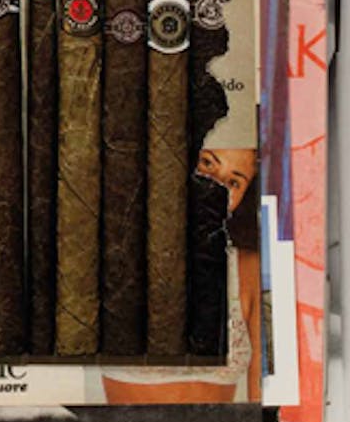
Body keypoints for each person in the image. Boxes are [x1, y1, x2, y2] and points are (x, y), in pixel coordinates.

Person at [102, 146, 261, 404]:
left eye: (234, 182)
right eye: (207, 163)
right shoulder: (108, 256)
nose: (215, 186)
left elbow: (267, 404)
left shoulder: (249, 270)